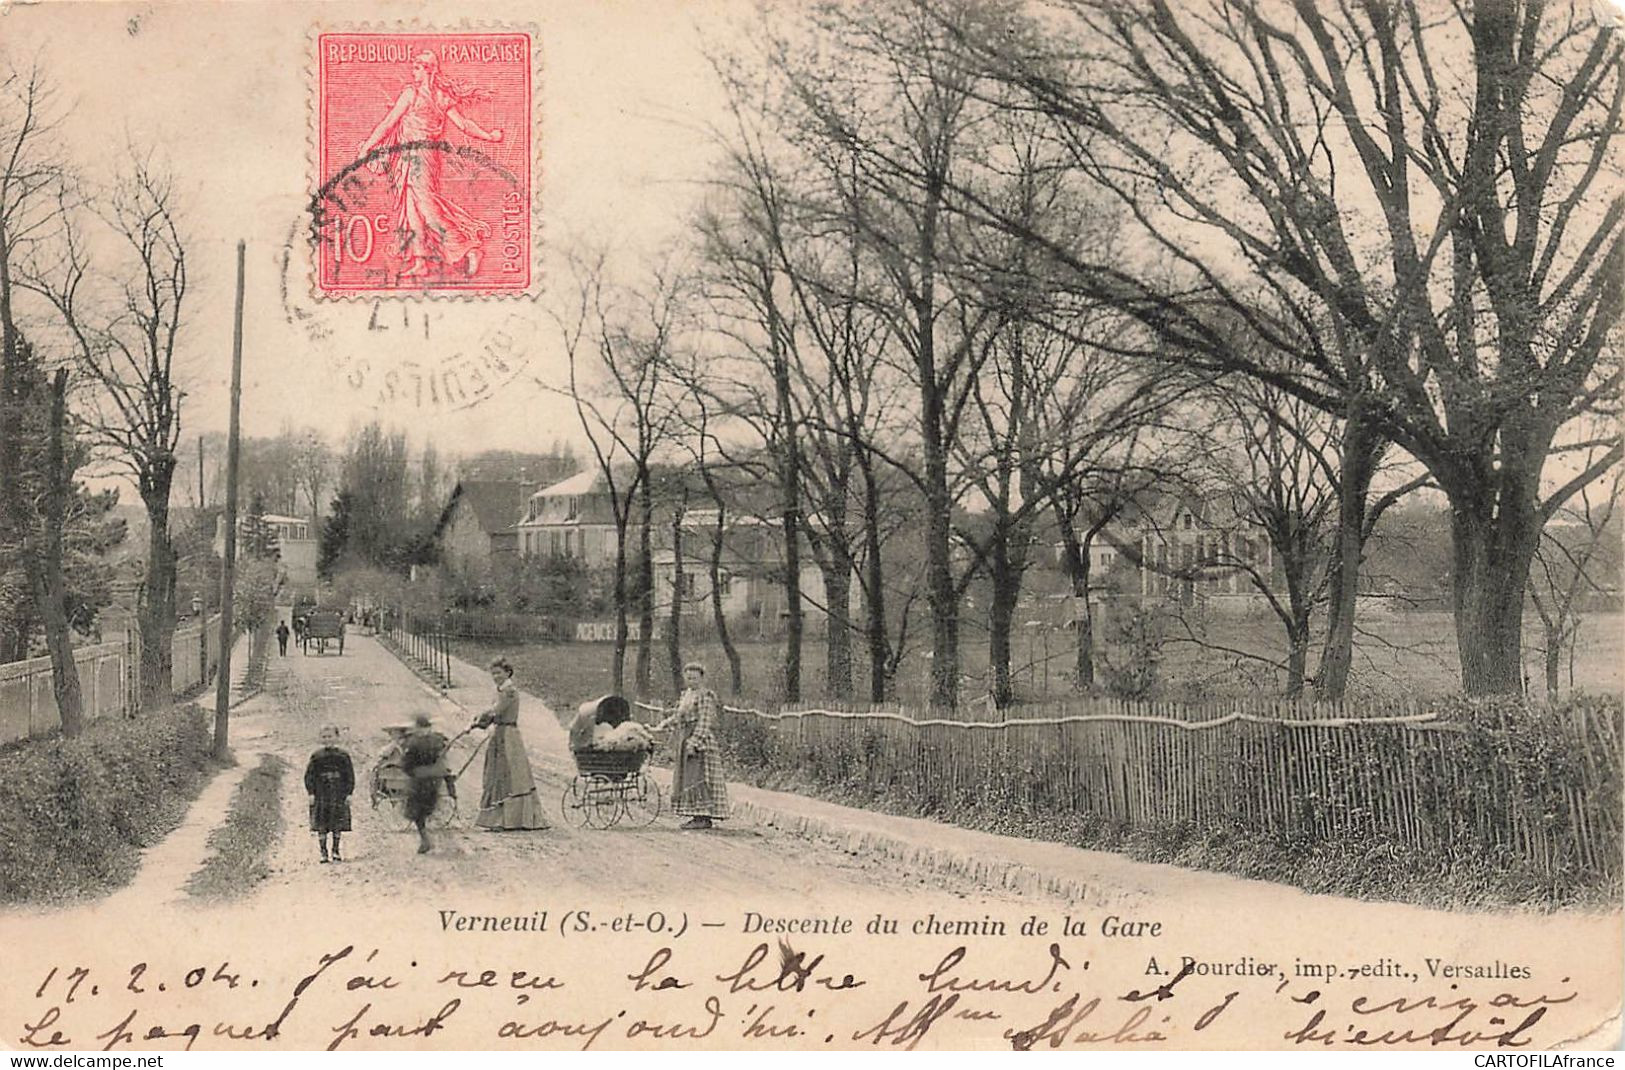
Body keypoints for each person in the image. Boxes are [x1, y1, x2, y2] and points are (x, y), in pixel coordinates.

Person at [355, 50, 504, 281]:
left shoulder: (413, 94)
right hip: (409, 157)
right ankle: (420, 261)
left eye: (416, 67)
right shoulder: (435, 96)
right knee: (412, 208)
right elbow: (462, 124)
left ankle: (466, 248)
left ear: (428, 69)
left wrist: (489, 136)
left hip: (420, 157)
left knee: (426, 206)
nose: (413, 71)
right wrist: (489, 136)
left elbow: (389, 123)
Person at [470, 657, 549, 830]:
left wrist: (481, 717)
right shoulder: (500, 690)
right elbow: (494, 714)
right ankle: (499, 819)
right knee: (496, 772)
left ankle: (509, 820)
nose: (495, 676)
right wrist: (481, 721)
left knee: (508, 774)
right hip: (499, 733)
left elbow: (496, 710)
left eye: (498, 673)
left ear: (507, 672)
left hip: (508, 736)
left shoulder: (509, 691)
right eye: (493, 673)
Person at [656, 662, 730, 830]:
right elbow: (679, 716)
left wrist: (694, 742)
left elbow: (705, 721)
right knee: (689, 777)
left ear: (702, 678)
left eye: (695, 678)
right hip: (685, 738)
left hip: (699, 742)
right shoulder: (686, 695)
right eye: (688, 678)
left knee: (699, 777)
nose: (691, 681)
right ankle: (697, 815)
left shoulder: (705, 696)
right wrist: (663, 724)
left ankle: (703, 816)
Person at [400, 713, 451, 854]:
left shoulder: (413, 742)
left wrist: (409, 773)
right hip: (436, 778)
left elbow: (406, 763)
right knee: (429, 807)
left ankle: (425, 839)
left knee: (416, 812)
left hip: (419, 779)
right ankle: (432, 836)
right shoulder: (437, 739)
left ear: (418, 728)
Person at [303, 726, 354, 863]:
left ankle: (336, 851)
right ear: (320, 739)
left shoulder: (343, 756)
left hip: (338, 792)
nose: (327, 740)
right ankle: (323, 852)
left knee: (337, 821)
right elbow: (309, 776)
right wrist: (311, 793)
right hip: (322, 793)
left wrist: (349, 793)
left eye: (330, 736)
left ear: (337, 738)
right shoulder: (316, 756)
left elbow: (349, 775)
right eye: (324, 737)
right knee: (322, 823)